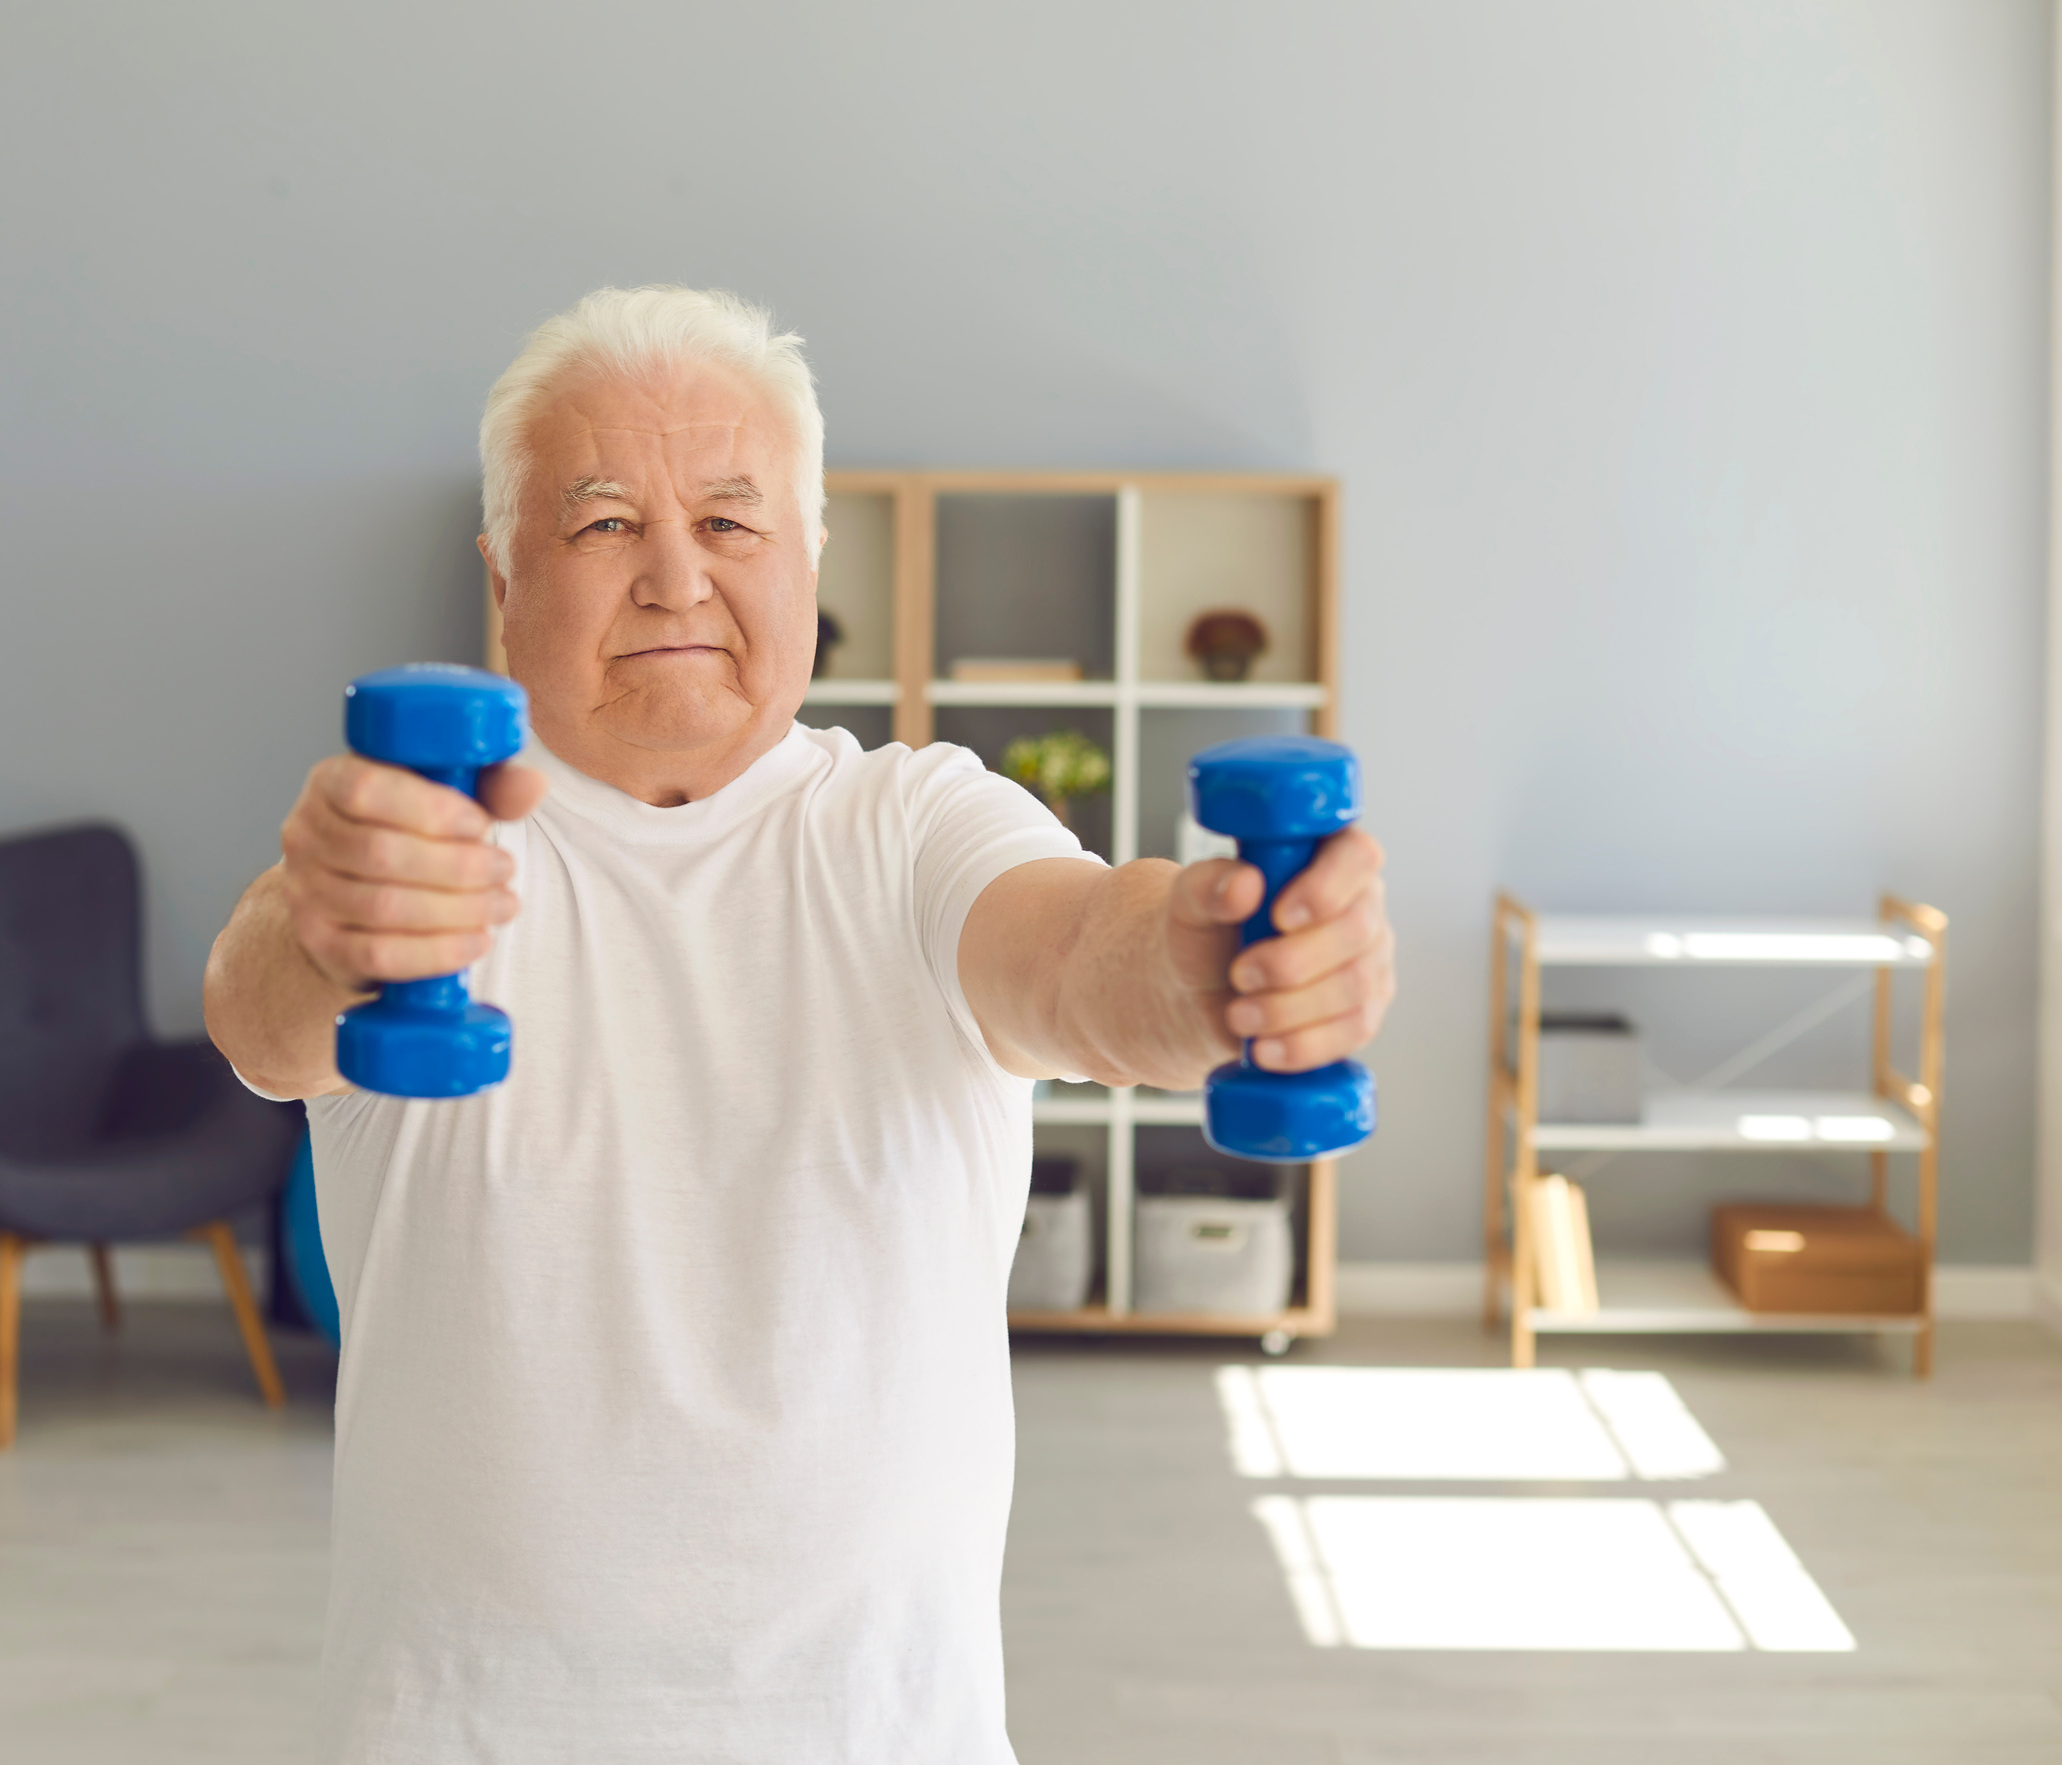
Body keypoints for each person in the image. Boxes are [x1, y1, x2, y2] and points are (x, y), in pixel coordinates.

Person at [204, 286, 1393, 1763]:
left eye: (728, 522)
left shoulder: (918, 825)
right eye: (600, 526)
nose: (674, 581)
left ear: (811, 558)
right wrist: (326, 922)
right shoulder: (420, 845)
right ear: (503, 573)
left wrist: (1217, 965)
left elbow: (1089, 952)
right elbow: (263, 1011)